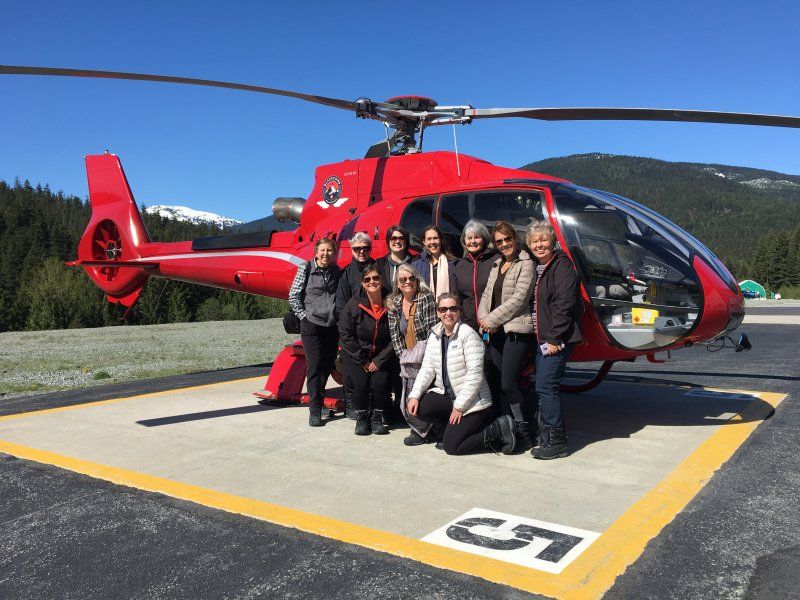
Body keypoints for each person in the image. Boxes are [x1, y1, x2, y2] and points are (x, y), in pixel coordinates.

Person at [407, 293, 516, 455]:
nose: (448, 313)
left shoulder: (468, 334)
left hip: (473, 402)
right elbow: (427, 369)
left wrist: (459, 407)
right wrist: (414, 395)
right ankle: (448, 429)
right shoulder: (435, 335)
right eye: (443, 309)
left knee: (452, 447)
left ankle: (497, 428)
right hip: (450, 397)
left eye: (452, 308)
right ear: (438, 312)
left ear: (459, 312)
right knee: (421, 406)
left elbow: (475, 376)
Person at [527, 220, 583, 460]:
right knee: (542, 386)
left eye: (543, 240)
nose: (540, 245)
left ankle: (557, 441)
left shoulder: (561, 266)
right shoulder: (538, 267)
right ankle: (546, 435)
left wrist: (554, 337)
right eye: (535, 241)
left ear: (553, 241)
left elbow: (566, 303)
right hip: (543, 338)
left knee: (546, 386)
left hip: (555, 339)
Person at [477, 221, 535, 450]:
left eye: (507, 239)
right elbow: (486, 294)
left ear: (515, 238)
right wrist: (483, 319)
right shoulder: (497, 264)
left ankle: (524, 428)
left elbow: (519, 299)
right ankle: (506, 426)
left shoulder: (525, 264)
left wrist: (491, 320)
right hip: (495, 332)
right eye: (499, 241)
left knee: (509, 383)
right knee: (499, 382)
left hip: (515, 331)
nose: (504, 244)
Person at [288, 237, 341, 427]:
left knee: (327, 365)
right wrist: (304, 316)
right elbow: (294, 295)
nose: (326, 254)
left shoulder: (336, 271)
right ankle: (315, 410)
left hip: (331, 326)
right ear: (316, 252)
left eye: (329, 251)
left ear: (333, 253)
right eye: (322, 250)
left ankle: (319, 399)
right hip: (312, 325)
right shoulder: (306, 268)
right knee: (314, 366)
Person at [338, 265, 396, 436]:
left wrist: (379, 361)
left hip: (381, 354)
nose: (372, 282)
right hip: (357, 354)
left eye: (375, 278)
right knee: (361, 383)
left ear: (381, 280)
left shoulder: (391, 302)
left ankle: (377, 416)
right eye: (367, 279)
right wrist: (363, 360)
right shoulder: (354, 304)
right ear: (363, 284)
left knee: (380, 383)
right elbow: (345, 334)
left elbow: (396, 335)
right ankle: (362, 416)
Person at [386, 264, 438, 446]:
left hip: (426, 355)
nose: (407, 282)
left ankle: (426, 430)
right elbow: (395, 334)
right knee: (407, 396)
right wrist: (404, 358)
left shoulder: (426, 299)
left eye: (411, 278)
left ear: (417, 280)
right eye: (403, 280)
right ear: (397, 284)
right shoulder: (394, 304)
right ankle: (419, 428)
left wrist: (422, 359)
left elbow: (433, 332)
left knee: (424, 394)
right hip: (407, 359)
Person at [335, 232, 376, 419]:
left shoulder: (377, 268)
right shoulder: (346, 273)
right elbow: (341, 305)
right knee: (351, 372)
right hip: (353, 330)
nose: (361, 252)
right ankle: (352, 403)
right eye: (357, 248)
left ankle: (375, 405)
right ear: (352, 250)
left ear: (370, 249)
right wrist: (346, 331)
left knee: (374, 372)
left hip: (374, 329)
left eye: (365, 248)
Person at [454, 220, 497, 331]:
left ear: (484, 239)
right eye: (469, 238)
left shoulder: (496, 260)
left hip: (493, 324)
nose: (473, 241)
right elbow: (458, 297)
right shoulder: (460, 266)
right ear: (464, 240)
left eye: (477, 237)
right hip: (469, 325)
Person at [411, 225, 458, 298]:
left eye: (435, 238)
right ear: (424, 242)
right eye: (429, 239)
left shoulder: (453, 264)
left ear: (441, 240)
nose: (432, 242)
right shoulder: (416, 266)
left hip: (448, 308)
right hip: (425, 307)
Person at [376, 225, 412, 292]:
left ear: (406, 241)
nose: (397, 241)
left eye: (401, 238)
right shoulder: (379, 264)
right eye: (393, 238)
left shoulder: (415, 262)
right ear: (388, 241)